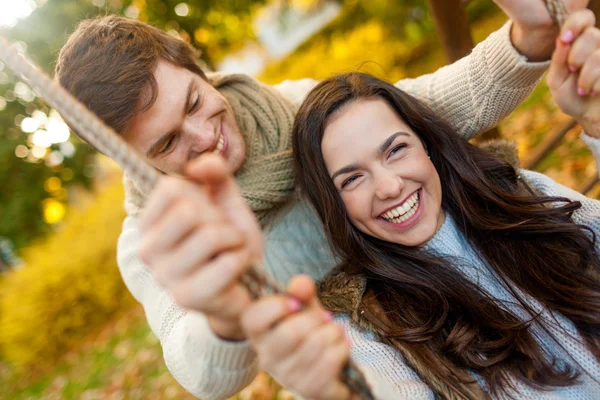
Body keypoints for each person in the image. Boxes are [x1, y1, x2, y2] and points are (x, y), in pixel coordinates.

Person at [54, 1, 589, 398]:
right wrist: (222, 311)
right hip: (369, 367)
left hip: (458, 293)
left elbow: (425, 114)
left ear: (198, 70)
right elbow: (198, 368)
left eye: (194, 102)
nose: (203, 138)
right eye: (167, 142)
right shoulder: (158, 236)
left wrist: (528, 38)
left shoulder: (286, 108)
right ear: (134, 161)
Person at [239, 9, 600, 399]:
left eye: (395, 150)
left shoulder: (515, 193)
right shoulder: (365, 323)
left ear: (426, 144)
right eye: (353, 178)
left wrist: (596, 125)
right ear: (334, 204)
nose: (390, 186)